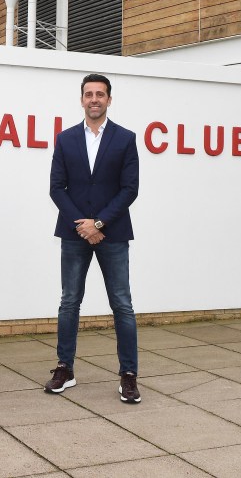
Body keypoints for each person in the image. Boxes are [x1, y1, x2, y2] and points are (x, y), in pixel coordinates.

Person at [45, 73, 141, 403]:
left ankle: (128, 375)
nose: (94, 99)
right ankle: (64, 368)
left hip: (112, 233)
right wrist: (82, 225)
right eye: (89, 94)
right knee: (69, 302)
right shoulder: (66, 138)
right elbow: (57, 187)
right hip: (74, 234)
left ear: (109, 100)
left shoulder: (125, 138)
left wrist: (99, 223)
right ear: (82, 99)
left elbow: (130, 189)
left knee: (122, 304)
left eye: (101, 94)